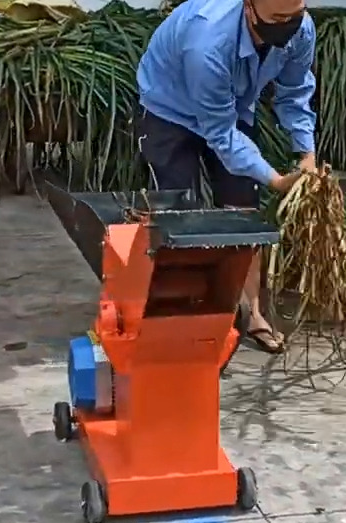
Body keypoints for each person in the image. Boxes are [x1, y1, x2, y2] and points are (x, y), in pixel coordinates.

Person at [136, 0, 317, 354]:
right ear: (249, 7)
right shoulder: (207, 41)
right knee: (175, 212)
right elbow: (219, 133)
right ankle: (172, 311)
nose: (288, 24)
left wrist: (306, 154)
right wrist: (277, 181)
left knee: (245, 211)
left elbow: (295, 93)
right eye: (278, 18)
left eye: (294, 16)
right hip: (170, 109)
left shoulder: (301, 28)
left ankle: (252, 314)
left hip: (232, 106)